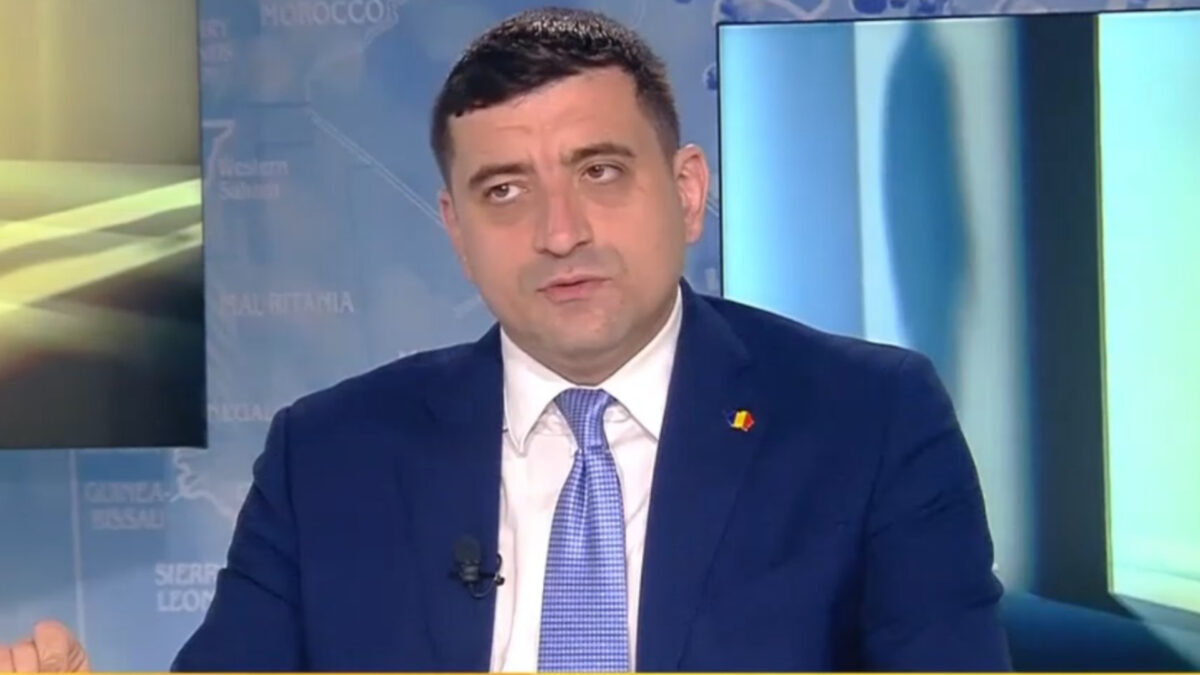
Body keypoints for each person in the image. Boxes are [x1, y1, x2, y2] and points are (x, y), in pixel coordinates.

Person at [1, 6, 1010, 672]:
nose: (559, 230)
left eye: (600, 171)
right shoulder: (330, 455)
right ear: (454, 228)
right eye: (505, 190)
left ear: (688, 190)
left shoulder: (865, 420)